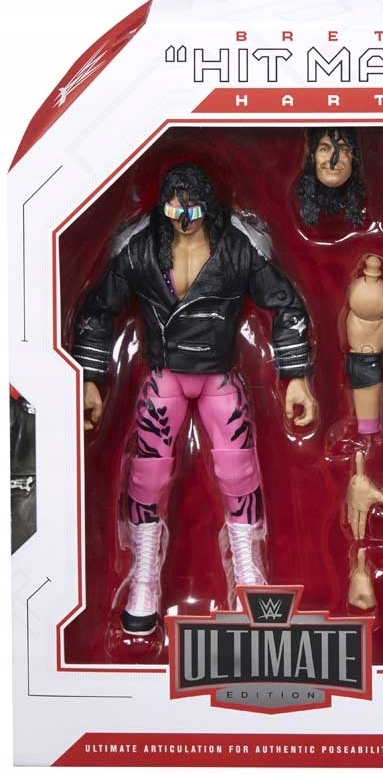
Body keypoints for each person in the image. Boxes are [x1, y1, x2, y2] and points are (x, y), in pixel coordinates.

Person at [73, 162, 317, 635]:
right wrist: (90, 379)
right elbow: (98, 309)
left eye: (192, 209)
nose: (184, 219)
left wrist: (296, 376)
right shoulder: (141, 248)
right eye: (174, 209)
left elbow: (285, 303)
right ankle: (144, 576)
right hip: (164, 375)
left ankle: (247, 569)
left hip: (218, 377)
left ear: (208, 205)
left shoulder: (236, 247)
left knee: (239, 470)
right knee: (147, 473)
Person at [296, 127, 365, 227]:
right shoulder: (293, 205)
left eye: (342, 149)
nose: (333, 160)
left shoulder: (369, 205)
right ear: (312, 156)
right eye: (324, 149)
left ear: (353, 157)